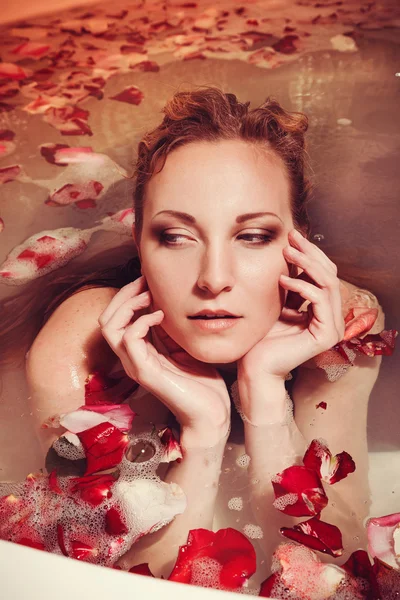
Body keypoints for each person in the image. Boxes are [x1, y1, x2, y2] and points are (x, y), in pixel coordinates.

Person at [7, 86, 385, 583]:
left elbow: (339, 571)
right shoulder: (79, 342)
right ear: (139, 242)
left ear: (297, 241)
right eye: (175, 236)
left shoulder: (340, 329)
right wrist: (204, 434)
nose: (213, 278)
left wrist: (266, 395)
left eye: (253, 236)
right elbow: (108, 581)